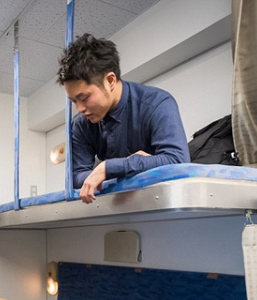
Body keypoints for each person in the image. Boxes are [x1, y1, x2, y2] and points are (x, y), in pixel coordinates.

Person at [57, 33, 191, 204]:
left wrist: (110, 168)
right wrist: (132, 164)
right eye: (74, 101)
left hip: (161, 203)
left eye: (84, 98)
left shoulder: (157, 103)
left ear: (110, 81)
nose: (80, 108)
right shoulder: (81, 124)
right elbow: (75, 179)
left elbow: (178, 161)